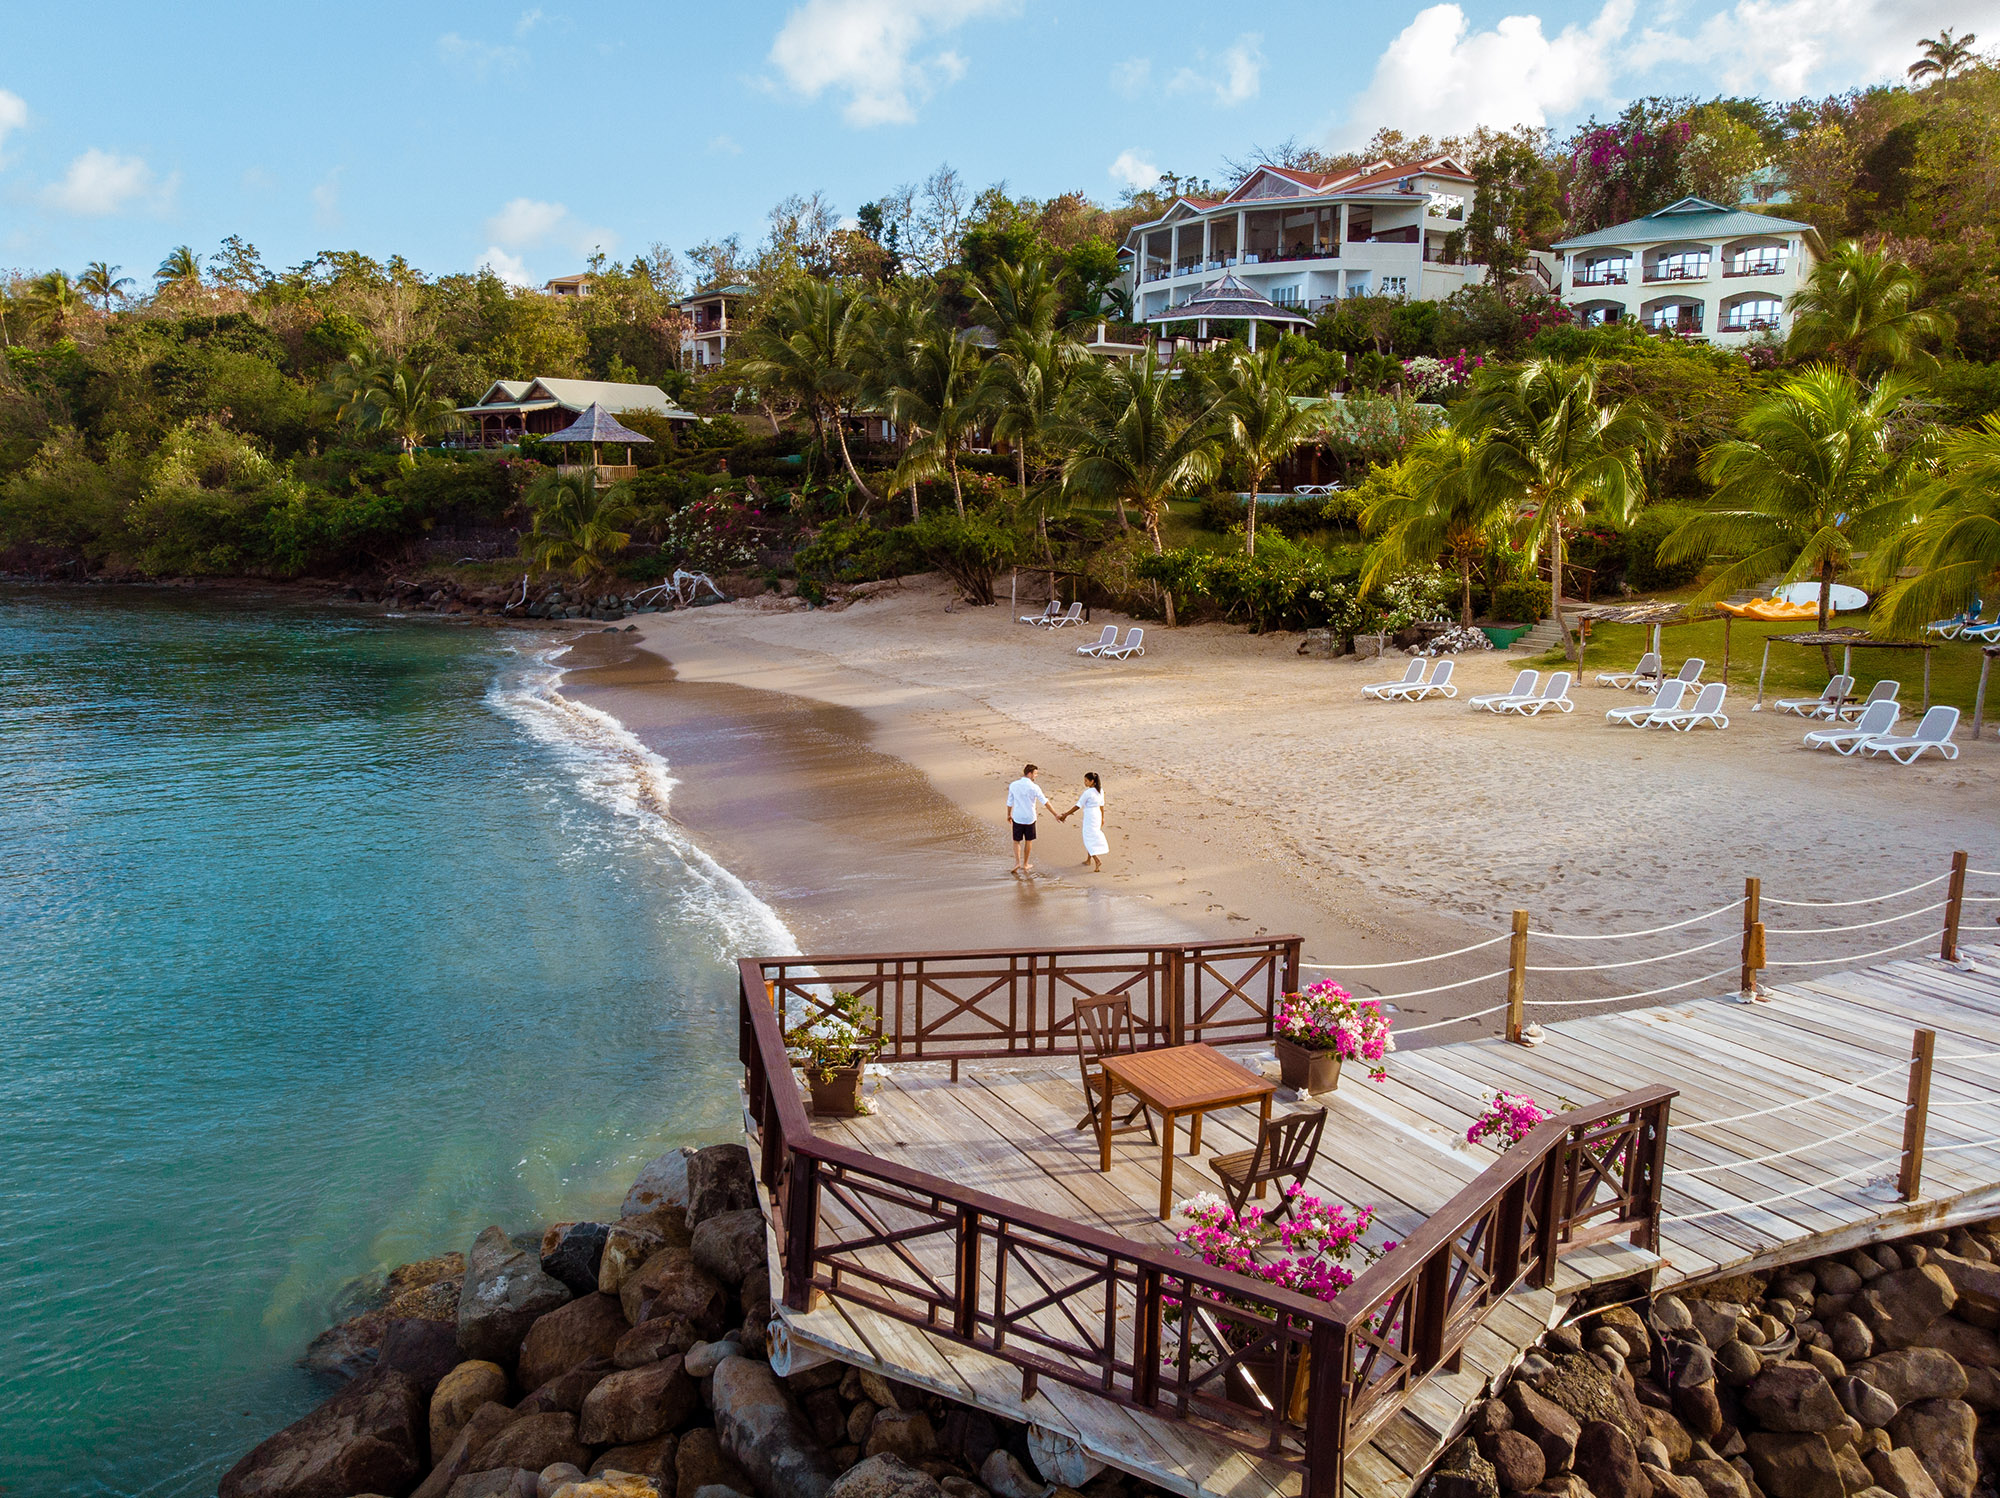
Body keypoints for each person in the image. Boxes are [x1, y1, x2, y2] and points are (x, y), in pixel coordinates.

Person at [1056, 772, 1109, 873]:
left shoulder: (1088, 793)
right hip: (1097, 815)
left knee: (1088, 838)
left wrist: (1066, 814)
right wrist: (1102, 817)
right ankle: (1088, 860)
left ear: (1092, 781)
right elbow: (1102, 805)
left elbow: (1078, 805)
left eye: (1086, 781)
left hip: (1090, 816)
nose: (1084, 783)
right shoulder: (1100, 791)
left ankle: (1097, 860)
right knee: (1091, 836)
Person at [1004, 763, 1050, 875]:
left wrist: (1009, 814)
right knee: (1028, 840)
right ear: (1030, 774)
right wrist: (1056, 814)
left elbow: (1010, 802)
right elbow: (1045, 802)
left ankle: (1017, 862)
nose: (1036, 776)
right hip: (1030, 818)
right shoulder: (1034, 787)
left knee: (1016, 841)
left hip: (1018, 817)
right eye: (1035, 774)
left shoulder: (1014, 785)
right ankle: (1025, 864)